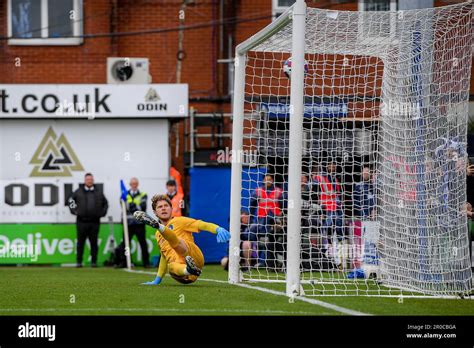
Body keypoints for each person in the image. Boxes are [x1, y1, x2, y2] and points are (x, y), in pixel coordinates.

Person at [136, 194, 230, 285]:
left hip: (193, 256)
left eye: (166, 206)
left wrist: (217, 229)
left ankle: (190, 266)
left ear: (171, 209)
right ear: (155, 212)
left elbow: (201, 224)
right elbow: (164, 257)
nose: (163, 208)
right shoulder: (158, 235)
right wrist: (157, 279)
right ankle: (188, 269)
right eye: (160, 207)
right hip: (184, 275)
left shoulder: (180, 221)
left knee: (177, 242)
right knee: (171, 266)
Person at [68, 173, 108, 267]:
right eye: (87, 179)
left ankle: (93, 262)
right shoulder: (78, 191)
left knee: (94, 243)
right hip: (81, 222)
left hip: (94, 222)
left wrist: (101, 213)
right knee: (80, 243)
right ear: (85, 181)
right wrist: (75, 211)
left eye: (91, 179)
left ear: (93, 180)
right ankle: (79, 262)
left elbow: (105, 204)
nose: (89, 181)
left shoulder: (98, 192)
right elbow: (71, 201)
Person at [249, 174, 285, 268]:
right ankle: (255, 260)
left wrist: (282, 219)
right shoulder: (258, 191)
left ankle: (272, 262)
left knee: (272, 239)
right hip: (261, 221)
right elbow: (252, 206)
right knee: (252, 232)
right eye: (266, 179)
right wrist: (252, 219)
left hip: (275, 221)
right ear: (263, 180)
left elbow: (284, 206)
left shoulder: (279, 191)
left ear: (272, 180)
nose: (268, 181)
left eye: (269, 179)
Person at [119, 177, 150, 268]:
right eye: (132, 183)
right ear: (130, 184)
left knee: (142, 243)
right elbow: (124, 207)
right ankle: (124, 262)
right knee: (126, 244)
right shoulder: (124, 195)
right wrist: (134, 206)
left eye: (135, 183)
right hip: (128, 224)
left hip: (139, 223)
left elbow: (142, 207)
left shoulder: (143, 194)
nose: (134, 185)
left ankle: (146, 262)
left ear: (138, 184)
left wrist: (131, 205)